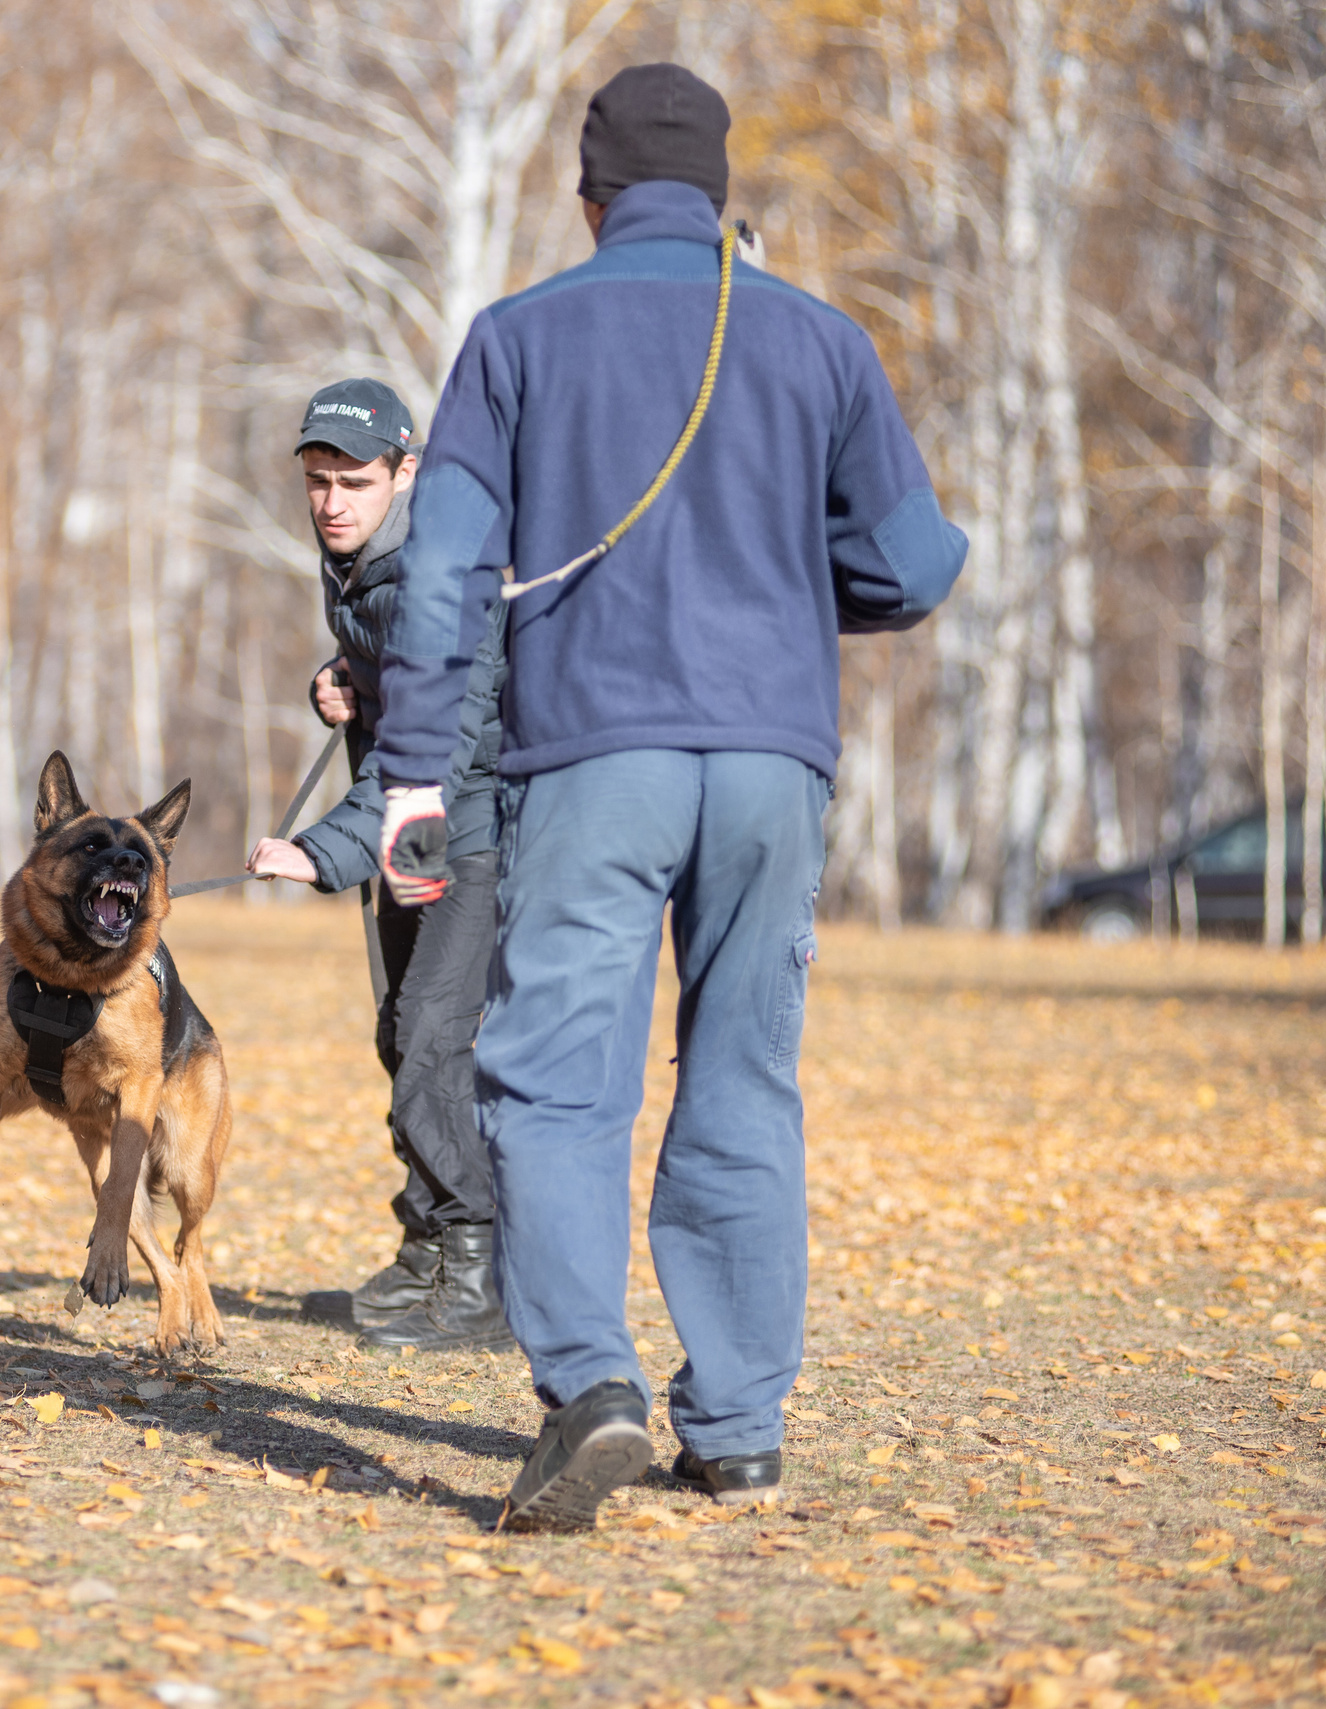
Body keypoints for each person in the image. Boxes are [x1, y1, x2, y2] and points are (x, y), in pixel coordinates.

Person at [368, 65, 967, 1530]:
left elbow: (441, 574)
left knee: (555, 1080)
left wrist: (408, 772)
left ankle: (592, 1386)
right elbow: (914, 565)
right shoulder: (821, 340)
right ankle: (742, 1428)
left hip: (593, 761)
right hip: (772, 764)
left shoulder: (517, 337)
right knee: (745, 1076)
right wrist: (789, 581)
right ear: (718, 196)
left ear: (590, 200)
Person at [243, 378, 513, 1353]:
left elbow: (436, 747)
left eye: (354, 481)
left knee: (432, 1042)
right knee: (401, 1036)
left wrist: (320, 851)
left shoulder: (441, 571)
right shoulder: (360, 561)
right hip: (417, 828)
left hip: (471, 829)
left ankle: (479, 1283)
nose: (331, 502)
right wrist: (342, 679)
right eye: (317, 480)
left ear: (405, 473)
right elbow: (390, 677)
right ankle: (426, 1251)